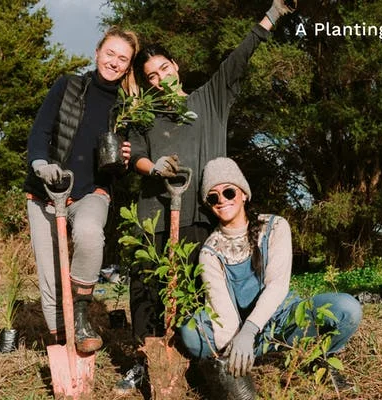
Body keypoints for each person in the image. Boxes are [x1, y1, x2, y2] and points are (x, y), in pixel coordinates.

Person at [119, 0, 296, 392]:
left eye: (164, 68)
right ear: (147, 83)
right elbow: (136, 159)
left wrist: (273, 14)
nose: (159, 78)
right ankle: (146, 363)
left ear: (176, 68)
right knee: (146, 291)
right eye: (150, 76)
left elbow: (238, 58)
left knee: (199, 297)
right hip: (154, 218)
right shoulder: (145, 118)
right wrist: (155, 166)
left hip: (200, 217)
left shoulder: (209, 100)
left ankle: (199, 358)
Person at [179, 157, 362, 392]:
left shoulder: (275, 226)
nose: (222, 200)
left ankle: (321, 358)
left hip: (286, 320)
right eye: (213, 197)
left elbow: (277, 285)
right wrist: (237, 342)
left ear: (243, 193)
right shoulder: (209, 251)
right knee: (191, 333)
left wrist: (249, 330)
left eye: (228, 192)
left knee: (348, 308)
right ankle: (233, 363)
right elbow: (224, 313)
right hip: (242, 333)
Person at [24, 27, 138, 353]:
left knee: (90, 234)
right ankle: (62, 342)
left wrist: (125, 159)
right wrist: (40, 165)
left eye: (122, 59)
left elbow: (118, 165)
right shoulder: (69, 86)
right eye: (110, 53)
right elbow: (39, 131)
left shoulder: (125, 107)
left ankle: (81, 315)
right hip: (46, 190)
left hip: (91, 191)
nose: (114, 62)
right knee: (51, 277)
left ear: (128, 67)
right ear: (98, 52)